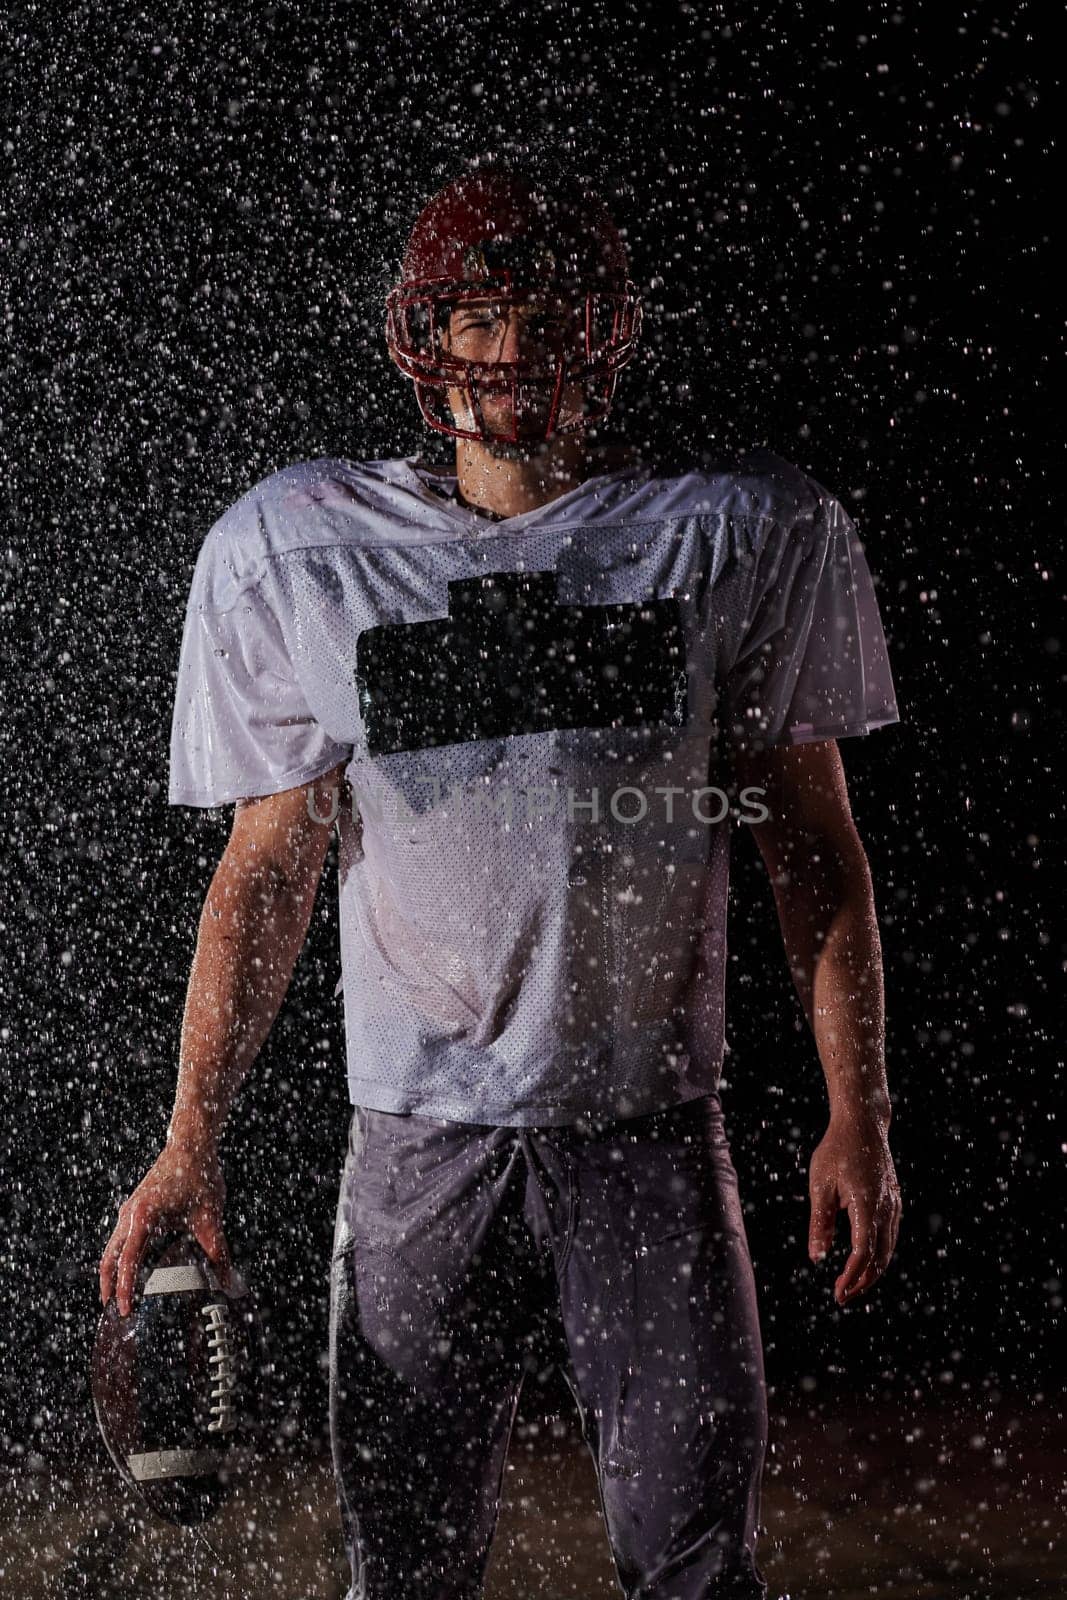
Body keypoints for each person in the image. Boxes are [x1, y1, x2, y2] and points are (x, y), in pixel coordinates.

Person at [99, 160, 904, 1599]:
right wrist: (189, 1135)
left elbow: (814, 857)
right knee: (404, 1572)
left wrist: (860, 1112)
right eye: (478, 317)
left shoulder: (732, 534)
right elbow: (267, 869)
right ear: (426, 338)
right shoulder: (306, 548)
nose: (510, 350)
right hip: (418, 1135)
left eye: (540, 313)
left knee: (698, 1567)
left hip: (649, 1128)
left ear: (606, 332)